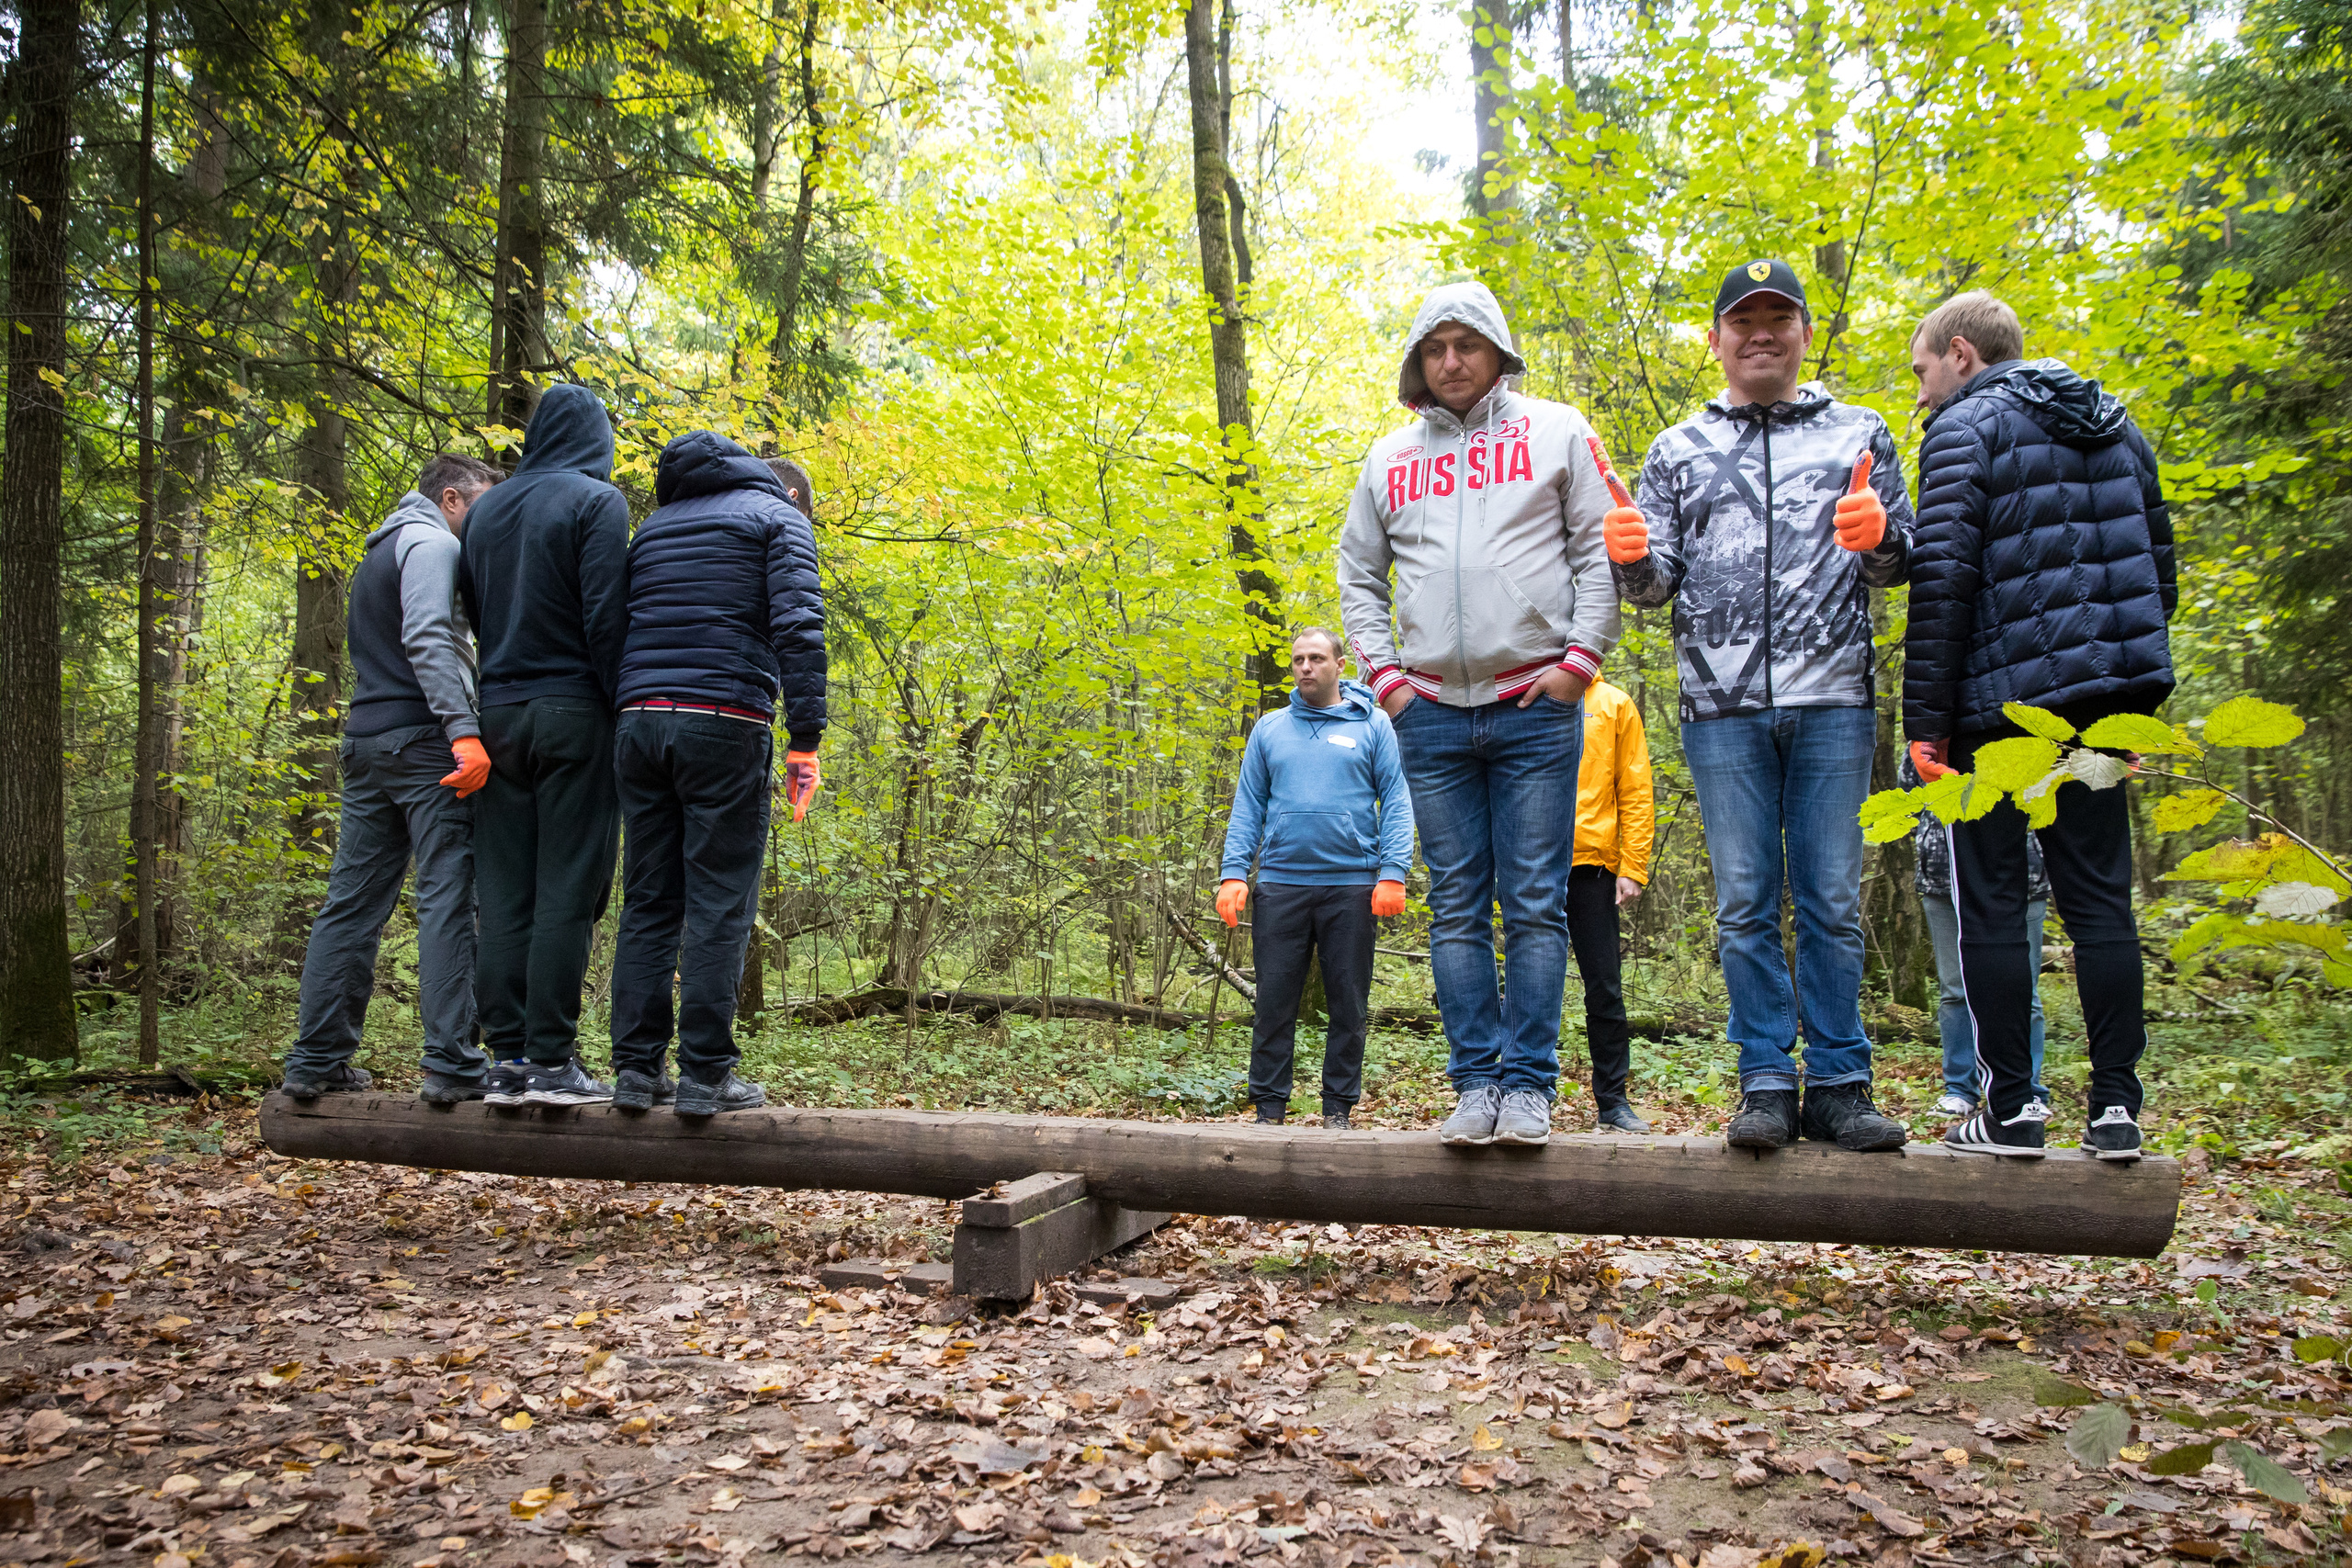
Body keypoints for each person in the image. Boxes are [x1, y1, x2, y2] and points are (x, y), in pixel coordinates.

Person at [1609, 259, 1914, 1153]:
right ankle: (1765, 1083)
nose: (1761, 332)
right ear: (1715, 341)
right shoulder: (1674, 449)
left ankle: (1842, 1084)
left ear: (1805, 333)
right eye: (1742, 320)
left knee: (1827, 897)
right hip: (1720, 709)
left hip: (1833, 701)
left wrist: (1884, 538)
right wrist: (1628, 555)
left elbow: (1899, 563)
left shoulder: (1861, 431)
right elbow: (1652, 587)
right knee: (1744, 899)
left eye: (1779, 316)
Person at [1338, 280, 1621, 1147]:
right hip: (1428, 714)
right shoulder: (1390, 457)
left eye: (1466, 344)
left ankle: (1530, 1086)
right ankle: (1475, 1083)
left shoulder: (1557, 430)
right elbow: (1358, 576)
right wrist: (1387, 682)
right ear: (1417, 362)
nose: (1451, 362)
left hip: (1535, 705)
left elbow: (1603, 548)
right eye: (1435, 348)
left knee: (1534, 903)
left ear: (1498, 348)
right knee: (1457, 905)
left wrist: (1580, 664)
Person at [1905, 290, 2173, 1162]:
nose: (1919, 395)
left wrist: (1926, 725)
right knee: (2100, 902)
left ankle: (2012, 1107)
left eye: (1922, 372)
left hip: (1997, 709)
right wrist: (2130, 706)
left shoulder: (1964, 430)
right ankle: (2117, 1109)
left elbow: (1942, 584)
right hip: (2104, 706)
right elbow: (2157, 577)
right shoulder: (2120, 428)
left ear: (1961, 354)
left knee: (1987, 903)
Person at [606, 433, 826, 1117]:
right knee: (720, 898)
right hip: (724, 720)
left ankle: (637, 1071)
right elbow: (799, 624)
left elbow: (618, 623)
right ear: (791, 495)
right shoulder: (777, 519)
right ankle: (705, 1074)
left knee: (647, 898)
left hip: (638, 722)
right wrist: (806, 739)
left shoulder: (654, 526)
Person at [280, 455, 503, 1105]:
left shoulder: (377, 553)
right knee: (446, 895)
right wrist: (463, 728)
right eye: (482, 506)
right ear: (453, 498)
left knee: (351, 902)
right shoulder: (431, 542)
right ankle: (454, 1062)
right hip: (427, 742)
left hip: (367, 743)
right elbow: (430, 634)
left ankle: (316, 1058)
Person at [458, 383, 630, 1109]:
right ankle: (554, 1061)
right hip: (573, 713)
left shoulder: (486, 508)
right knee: (568, 883)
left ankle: (508, 1057)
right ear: (596, 440)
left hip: (496, 715)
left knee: (503, 887)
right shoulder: (597, 502)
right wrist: (620, 702)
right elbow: (605, 617)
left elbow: (472, 608)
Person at [1216, 628, 1414, 1132]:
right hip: (1281, 884)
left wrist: (1393, 872)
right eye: (1299, 659)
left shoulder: (1374, 725)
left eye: (1317, 658)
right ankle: (1268, 1109)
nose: (1306, 667)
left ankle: (1338, 1110)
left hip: (1351, 885)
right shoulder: (1270, 729)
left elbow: (1395, 800)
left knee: (1348, 1000)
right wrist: (1233, 873)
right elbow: (1248, 806)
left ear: (1340, 665)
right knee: (1274, 1000)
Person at [1901, 753, 2052, 1119]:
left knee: (2024, 991)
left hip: (2020, 880)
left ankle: (2028, 1092)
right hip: (1942, 882)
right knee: (1954, 990)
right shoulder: (1922, 747)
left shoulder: (2021, 744)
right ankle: (1959, 1090)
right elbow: (1907, 803)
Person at [1568, 676, 1654, 1133]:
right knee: (1520, 983)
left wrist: (1632, 865)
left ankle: (1613, 1102)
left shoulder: (1614, 703)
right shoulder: (1522, 694)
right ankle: (1521, 1089)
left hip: (1594, 866)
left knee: (1604, 986)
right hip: (1527, 864)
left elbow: (1635, 787)